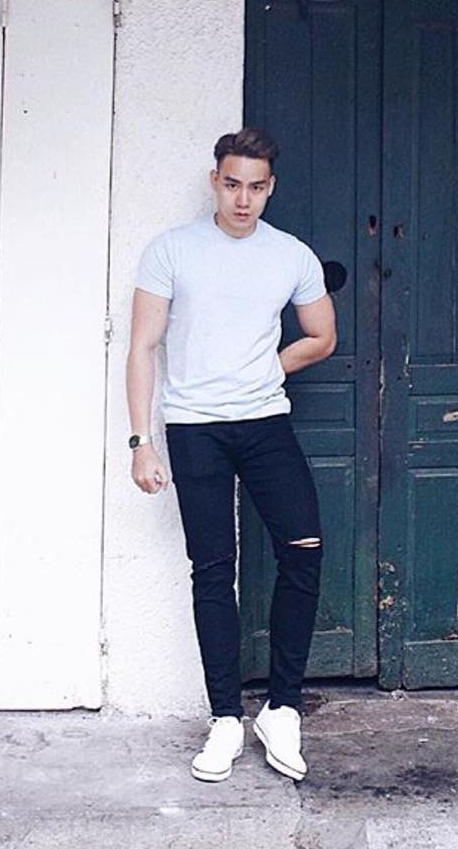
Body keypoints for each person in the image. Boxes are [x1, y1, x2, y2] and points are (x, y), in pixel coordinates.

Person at [126, 127, 337, 783]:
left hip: (265, 422)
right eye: (232, 184)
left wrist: (270, 368)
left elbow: (322, 335)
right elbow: (142, 347)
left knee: (303, 548)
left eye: (256, 187)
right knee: (214, 569)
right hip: (195, 428)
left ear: (271, 188)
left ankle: (282, 708)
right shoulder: (171, 250)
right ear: (214, 182)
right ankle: (224, 719)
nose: (243, 199)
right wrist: (140, 442)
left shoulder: (291, 255)